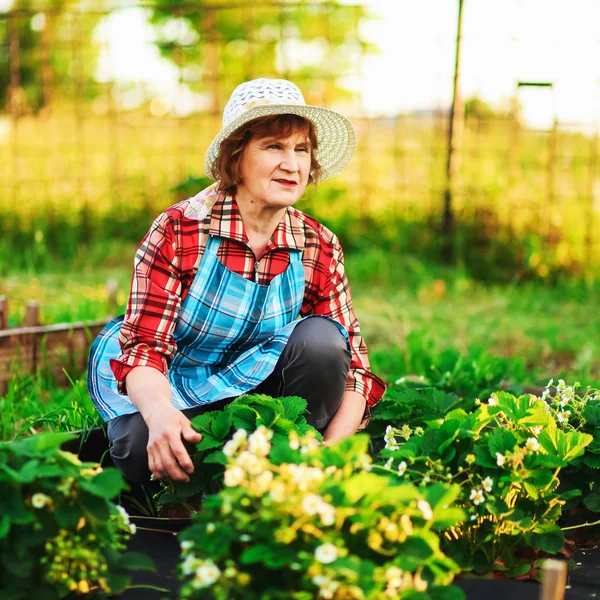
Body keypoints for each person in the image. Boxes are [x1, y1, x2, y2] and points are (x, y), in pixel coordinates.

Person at [87, 78, 386, 486]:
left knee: (322, 340)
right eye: (273, 147)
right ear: (236, 157)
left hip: (255, 385)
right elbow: (145, 350)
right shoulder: (180, 230)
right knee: (143, 449)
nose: (292, 164)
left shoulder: (318, 244)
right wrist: (159, 415)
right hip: (172, 384)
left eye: (301, 149)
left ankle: (293, 464)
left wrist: (332, 453)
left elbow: (356, 372)